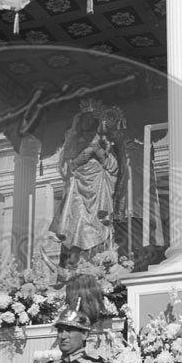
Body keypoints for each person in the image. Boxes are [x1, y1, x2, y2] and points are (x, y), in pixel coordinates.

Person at [50, 101, 124, 267]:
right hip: (77, 192)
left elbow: (113, 167)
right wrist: (77, 161)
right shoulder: (73, 142)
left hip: (98, 189)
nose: (87, 123)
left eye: (91, 120)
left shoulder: (103, 142)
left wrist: (97, 151)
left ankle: (99, 264)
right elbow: (64, 168)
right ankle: (74, 265)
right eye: (84, 119)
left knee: (98, 224)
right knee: (75, 225)